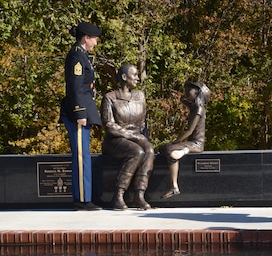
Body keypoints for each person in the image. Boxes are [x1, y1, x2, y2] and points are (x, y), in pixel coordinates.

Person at [60, 21, 102, 210]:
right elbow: (75, 88)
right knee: (81, 156)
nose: (95, 42)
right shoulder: (77, 56)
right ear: (86, 38)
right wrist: (80, 112)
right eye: (94, 39)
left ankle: (84, 197)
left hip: (84, 111)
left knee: (84, 154)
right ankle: (82, 199)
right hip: (78, 113)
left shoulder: (82, 55)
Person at [101, 64, 154, 210]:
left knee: (149, 149)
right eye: (134, 75)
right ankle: (118, 195)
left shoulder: (140, 96)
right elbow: (109, 124)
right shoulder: (110, 98)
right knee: (136, 152)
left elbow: (142, 123)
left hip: (136, 136)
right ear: (124, 77)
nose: (137, 78)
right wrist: (129, 135)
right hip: (115, 140)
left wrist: (139, 137)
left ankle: (139, 195)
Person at [160, 81, 211, 199]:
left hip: (196, 144)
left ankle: (174, 186)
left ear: (198, 92)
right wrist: (187, 94)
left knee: (170, 150)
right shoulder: (194, 107)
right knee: (164, 148)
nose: (187, 92)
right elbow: (183, 99)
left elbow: (189, 131)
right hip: (192, 142)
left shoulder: (199, 109)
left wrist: (177, 141)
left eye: (190, 90)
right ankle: (182, 150)